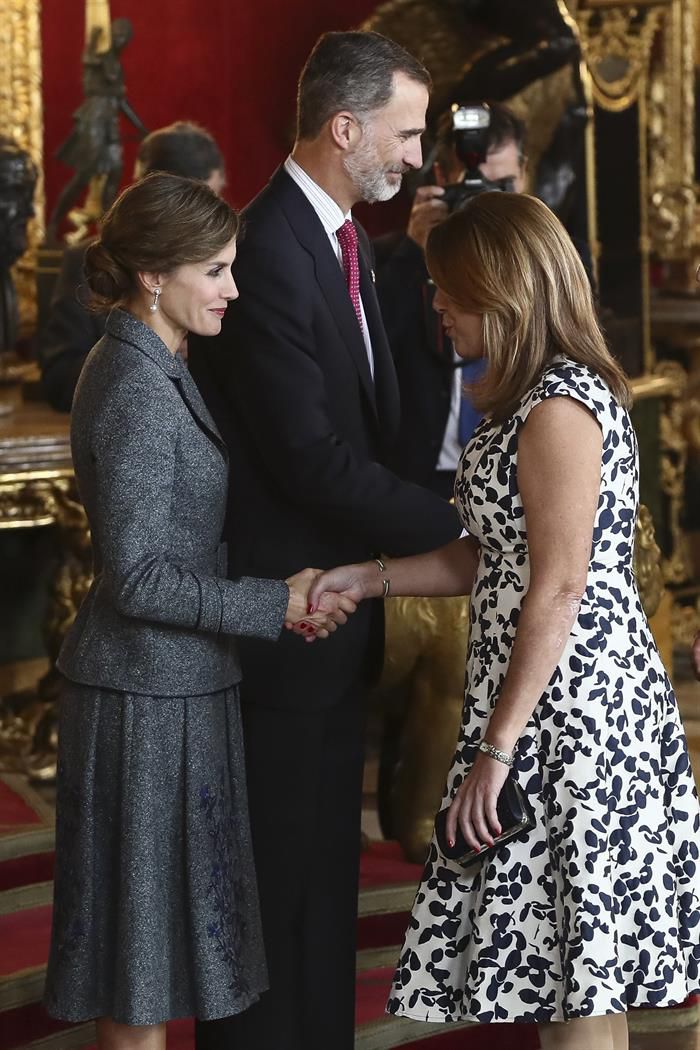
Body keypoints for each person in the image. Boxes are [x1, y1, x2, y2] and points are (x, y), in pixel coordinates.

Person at [309, 192, 700, 1050]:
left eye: (451, 290)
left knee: (579, 987)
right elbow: (490, 556)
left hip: (573, 720)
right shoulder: (533, 397)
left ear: (505, 290)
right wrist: (366, 579)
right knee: (565, 977)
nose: (439, 307)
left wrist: (496, 750)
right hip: (542, 708)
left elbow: (557, 589)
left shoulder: (560, 407)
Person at [188, 29, 462, 1050]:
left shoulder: (346, 243)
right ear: (344, 128)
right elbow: (308, 458)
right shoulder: (269, 247)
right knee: (271, 908)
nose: (414, 151)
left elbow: (382, 425)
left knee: (320, 901)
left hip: (335, 623)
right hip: (280, 621)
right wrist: (471, 528)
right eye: (405, 130)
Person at [42, 172, 353, 1050]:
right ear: (152, 274)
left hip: (177, 687)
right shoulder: (135, 382)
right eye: (215, 271)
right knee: (135, 973)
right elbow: (136, 580)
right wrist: (274, 603)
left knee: (158, 960)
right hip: (141, 699)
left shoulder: (156, 360)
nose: (232, 290)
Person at [374, 101, 527, 497]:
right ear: (440, 178)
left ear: (524, 177)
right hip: (418, 481)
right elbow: (370, 354)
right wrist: (415, 253)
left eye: (501, 188)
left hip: (518, 475)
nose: (489, 209)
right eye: (472, 190)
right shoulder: (389, 257)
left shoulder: (558, 259)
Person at [38, 121, 226, 411]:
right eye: (205, 204)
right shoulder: (90, 258)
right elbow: (58, 377)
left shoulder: (233, 267)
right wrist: (151, 353)